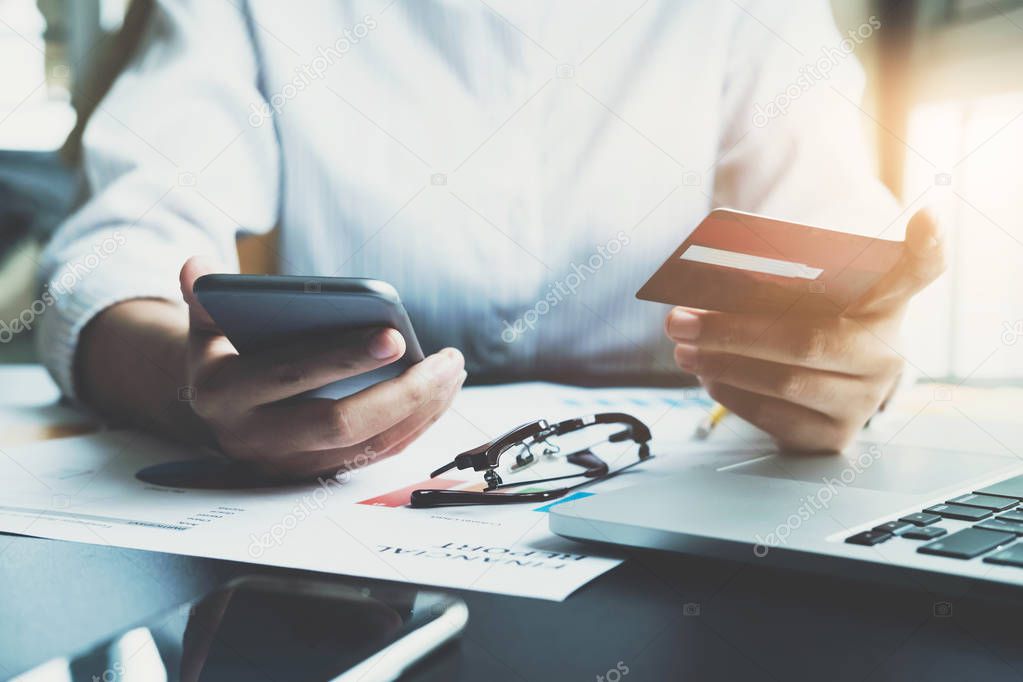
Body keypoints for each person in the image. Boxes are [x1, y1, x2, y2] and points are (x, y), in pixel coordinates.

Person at [37, 0, 944, 478]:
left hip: (665, 505)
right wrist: (192, 388)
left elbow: (834, 256)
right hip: (360, 545)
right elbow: (112, 256)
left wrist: (845, 365)